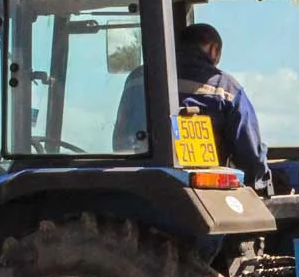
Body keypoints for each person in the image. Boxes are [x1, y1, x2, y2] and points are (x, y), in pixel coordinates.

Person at [113, 23, 271, 194]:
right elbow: (249, 152)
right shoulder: (226, 88)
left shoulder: (137, 78)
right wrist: (261, 184)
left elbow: (121, 138)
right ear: (213, 50)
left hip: (139, 183)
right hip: (207, 190)